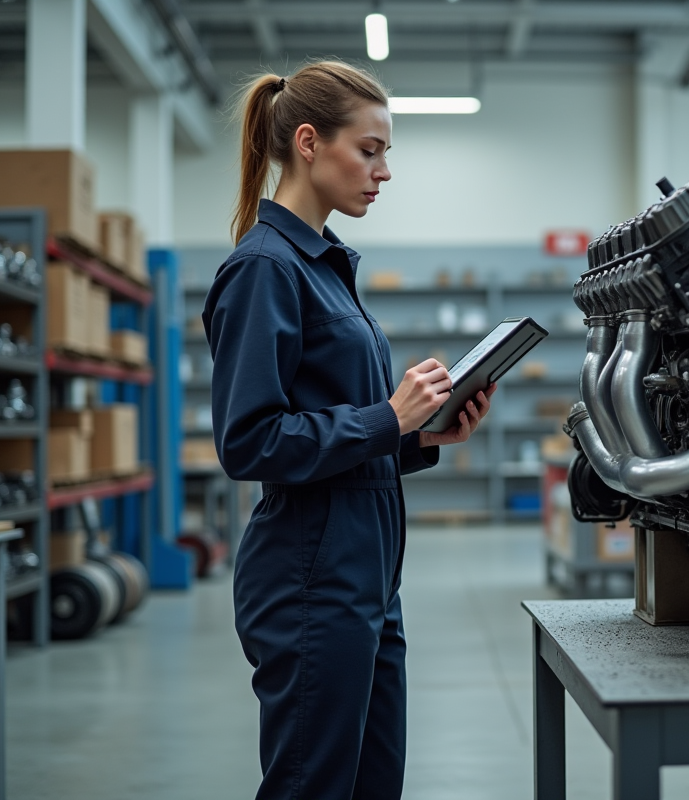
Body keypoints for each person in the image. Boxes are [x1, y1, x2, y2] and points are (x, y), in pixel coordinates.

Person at [202, 60, 496, 800]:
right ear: (309, 143)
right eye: (369, 150)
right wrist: (388, 416)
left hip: (368, 575)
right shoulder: (265, 269)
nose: (383, 171)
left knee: (373, 782)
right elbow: (250, 440)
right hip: (311, 578)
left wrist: (418, 437)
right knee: (315, 786)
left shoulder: (326, 267)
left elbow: (340, 428)